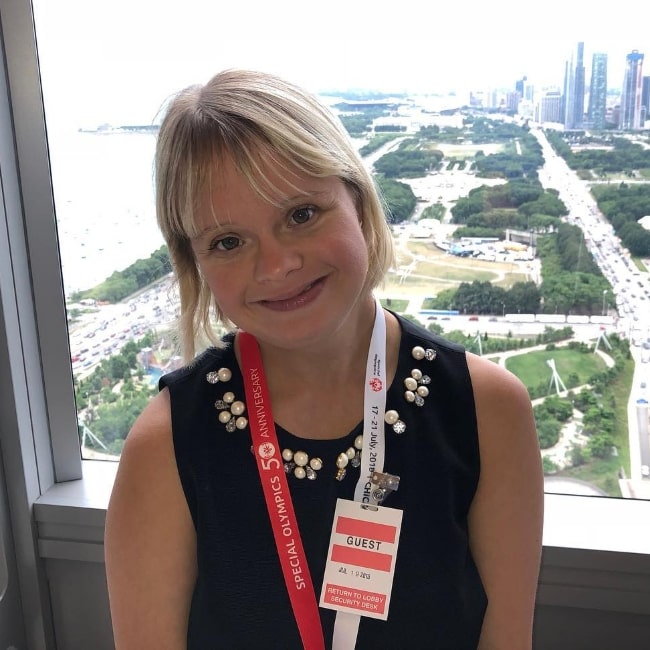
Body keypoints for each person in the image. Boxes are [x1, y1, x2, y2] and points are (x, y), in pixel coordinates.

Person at [104, 68, 544, 650]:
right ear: (198, 266)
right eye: (229, 242)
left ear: (358, 203)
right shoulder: (165, 448)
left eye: (301, 214)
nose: (277, 265)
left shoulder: (488, 412)